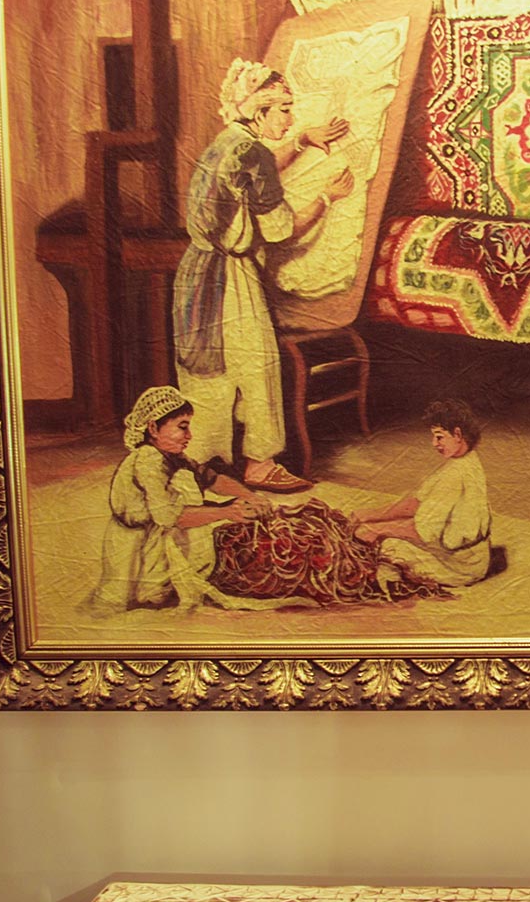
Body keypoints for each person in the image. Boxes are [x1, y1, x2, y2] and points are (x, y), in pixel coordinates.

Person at [174, 59, 355, 495]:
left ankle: (200, 462)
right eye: (285, 110)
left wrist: (302, 141)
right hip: (228, 278)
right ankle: (258, 464)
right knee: (257, 367)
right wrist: (327, 197)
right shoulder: (251, 153)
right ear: (259, 112)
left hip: (196, 274)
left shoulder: (227, 143)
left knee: (210, 371)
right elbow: (281, 229)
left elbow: (257, 168)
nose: (291, 119)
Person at [89, 385, 294, 614]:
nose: (189, 436)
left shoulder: (172, 456)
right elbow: (171, 517)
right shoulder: (148, 461)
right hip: (138, 547)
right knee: (188, 493)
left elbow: (212, 479)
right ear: (153, 428)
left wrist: (249, 495)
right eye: (182, 427)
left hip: (157, 533)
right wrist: (227, 512)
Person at [353, 400, 492, 588]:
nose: (434, 443)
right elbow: (416, 503)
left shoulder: (455, 476)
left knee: (387, 545)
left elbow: (422, 531)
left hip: (460, 568)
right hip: (469, 557)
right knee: (381, 529)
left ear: (457, 434)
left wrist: (377, 530)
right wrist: (370, 515)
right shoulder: (466, 460)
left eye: (439, 437)